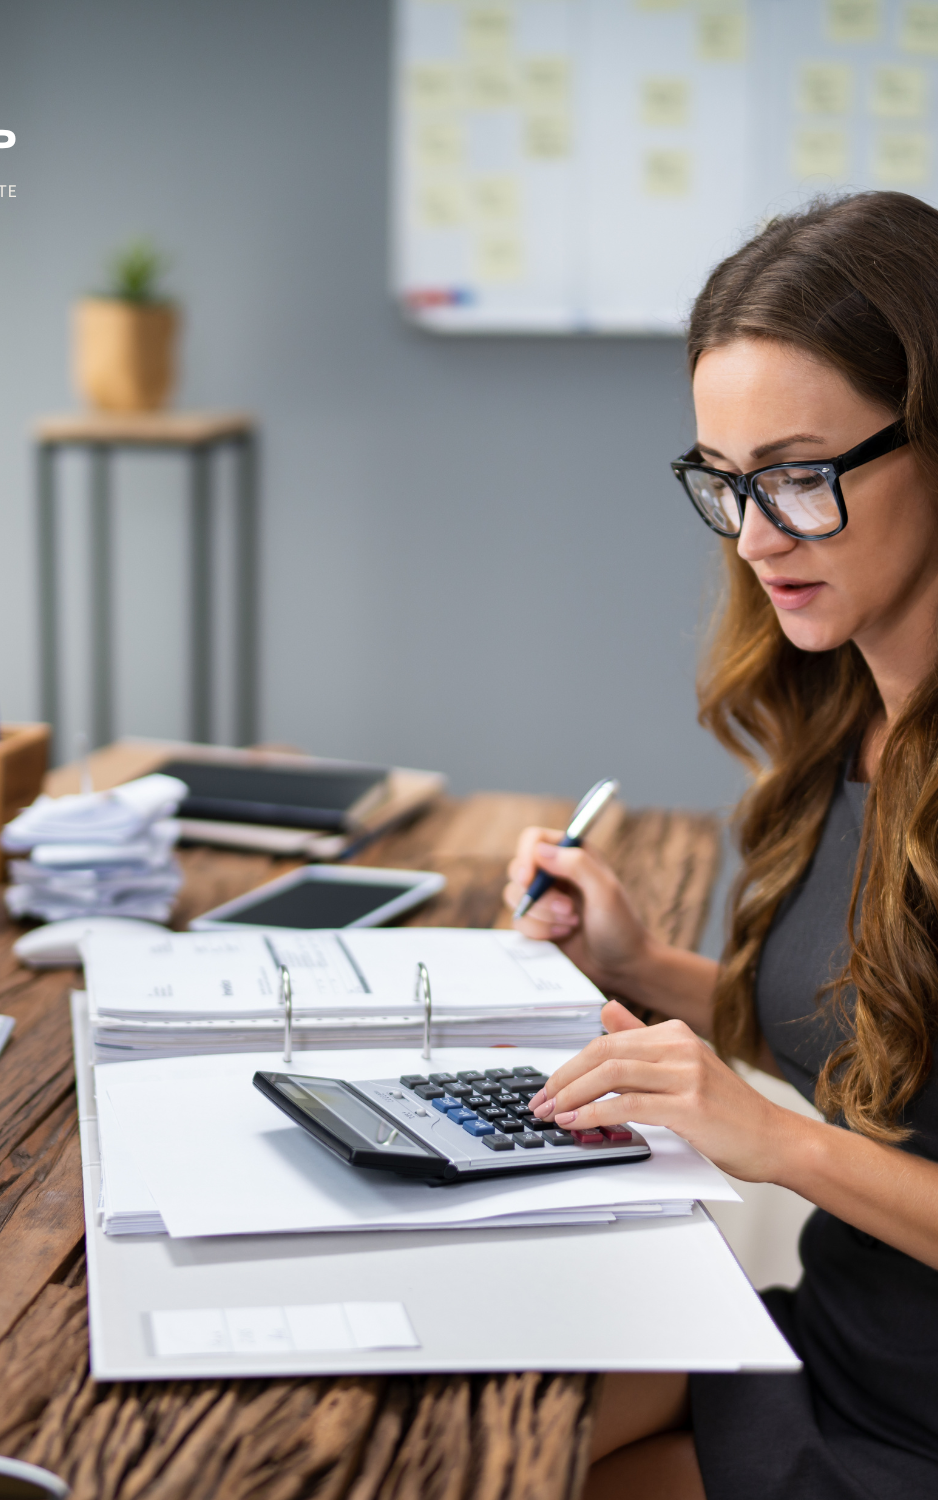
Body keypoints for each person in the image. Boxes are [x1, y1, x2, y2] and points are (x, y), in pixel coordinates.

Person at [503, 191, 938, 1500]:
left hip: (916, 1439)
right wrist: (651, 973)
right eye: (728, 481)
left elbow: (821, 1133)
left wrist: (771, 1138)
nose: (755, 538)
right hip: (840, 1340)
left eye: (801, 476)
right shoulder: (857, 717)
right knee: (452, 1422)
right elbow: (895, 1059)